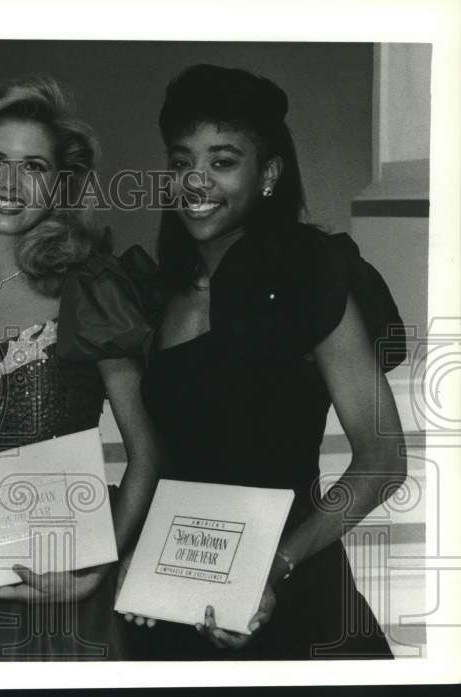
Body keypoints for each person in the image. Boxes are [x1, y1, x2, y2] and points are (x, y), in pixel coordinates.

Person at [126, 64, 406, 660]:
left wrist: (275, 567)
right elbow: (162, 466)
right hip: (179, 595)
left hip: (293, 589)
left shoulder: (312, 275)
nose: (195, 182)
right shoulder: (159, 296)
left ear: (269, 174)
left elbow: (382, 461)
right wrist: (137, 565)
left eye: (222, 161)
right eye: (181, 163)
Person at [0, 75, 162, 661]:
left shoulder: (92, 290)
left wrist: (99, 566)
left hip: (62, 597)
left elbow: (147, 455)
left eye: (34, 167)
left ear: (60, 184)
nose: (8, 183)